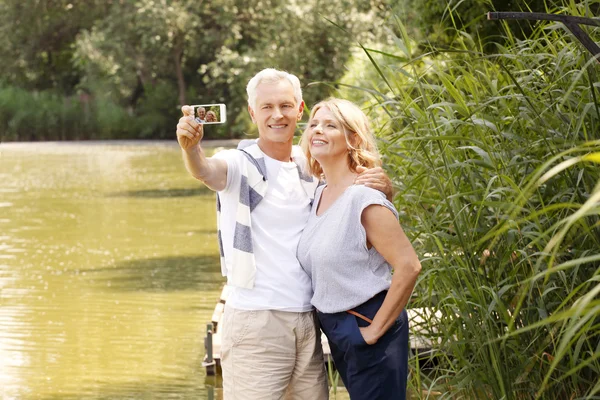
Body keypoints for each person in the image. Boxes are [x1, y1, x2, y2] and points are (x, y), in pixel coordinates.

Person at [175, 69, 392, 400]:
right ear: (253, 113)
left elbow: (357, 204)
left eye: (285, 105)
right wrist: (191, 150)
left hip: (309, 321)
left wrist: (385, 187)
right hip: (257, 321)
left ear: (300, 109)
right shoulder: (239, 163)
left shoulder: (313, 166)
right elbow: (206, 171)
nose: (277, 115)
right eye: (266, 107)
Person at [297, 98, 422, 400]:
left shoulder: (364, 197)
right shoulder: (321, 193)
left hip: (366, 322)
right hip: (338, 328)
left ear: (353, 139)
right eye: (314, 124)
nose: (318, 130)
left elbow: (409, 265)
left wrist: (374, 331)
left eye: (330, 125)